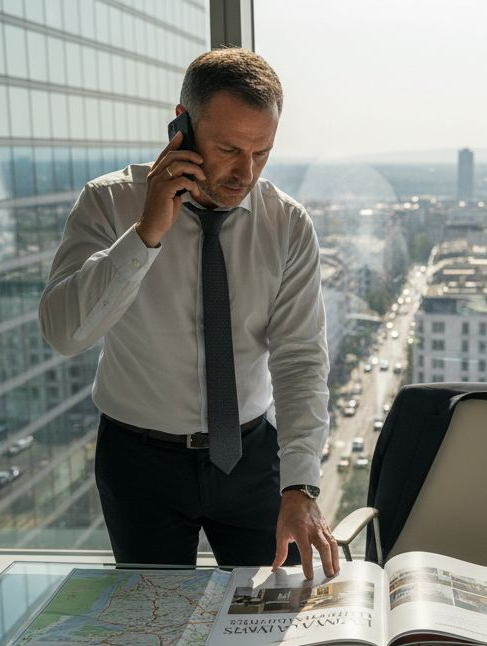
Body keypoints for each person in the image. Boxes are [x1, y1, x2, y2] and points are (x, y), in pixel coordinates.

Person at [39, 48, 339, 580]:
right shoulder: (109, 204)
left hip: (252, 460)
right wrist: (145, 234)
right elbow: (65, 333)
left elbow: (299, 359)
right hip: (139, 463)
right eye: (228, 149)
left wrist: (301, 486)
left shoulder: (286, 225)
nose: (245, 172)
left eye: (261, 153)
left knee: (273, 623)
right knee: (151, 629)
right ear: (181, 125)